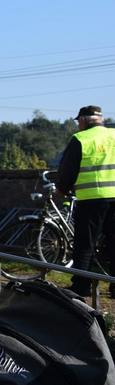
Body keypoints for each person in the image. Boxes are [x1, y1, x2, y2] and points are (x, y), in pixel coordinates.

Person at [56, 105, 115, 297]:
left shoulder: (81, 139)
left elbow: (68, 168)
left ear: (83, 120)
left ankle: (81, 286)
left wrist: (62, 189)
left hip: (92, 199)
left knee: (85, 244)